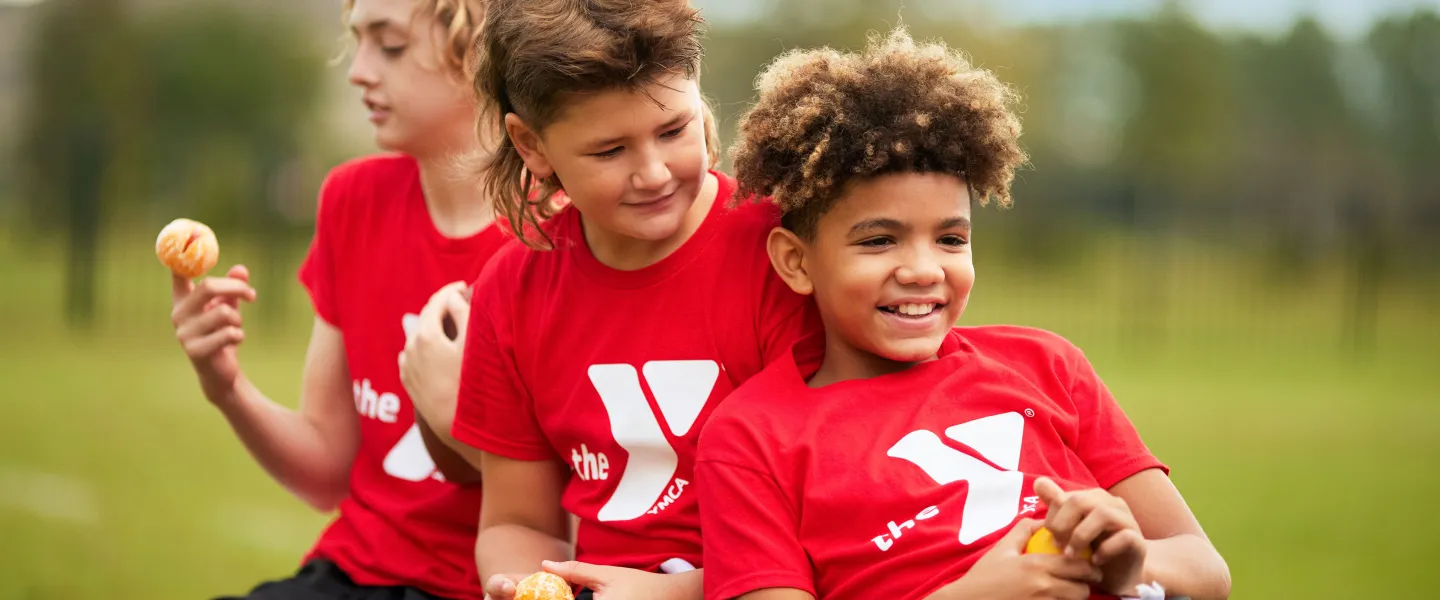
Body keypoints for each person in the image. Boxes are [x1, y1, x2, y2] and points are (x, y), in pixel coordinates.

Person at [695, 27, 1232, 600]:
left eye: (951, 239)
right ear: (796, 262)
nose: (924, 269)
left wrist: (1130, 562)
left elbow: (1206, 570)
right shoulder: (751, 437)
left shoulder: (1048, 366)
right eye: (879, 241)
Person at [437, 1, 818, 598]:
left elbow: (841, 520)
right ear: (531, 144)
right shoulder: (512, 290)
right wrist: (522, 584)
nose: (654, 173)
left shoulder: (785, 257)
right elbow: (518, 521)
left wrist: (671, 593)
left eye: (674, 130)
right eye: (610, 151)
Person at [167, 0, 503, 597]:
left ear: (477, 50)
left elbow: (577, 499)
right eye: (358, 41)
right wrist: (226, 385)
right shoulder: (352, 200)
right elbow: (326, 473)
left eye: (390, 45)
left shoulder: (561, 230)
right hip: (352, 574)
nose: (358, 70)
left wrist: (454, 423)